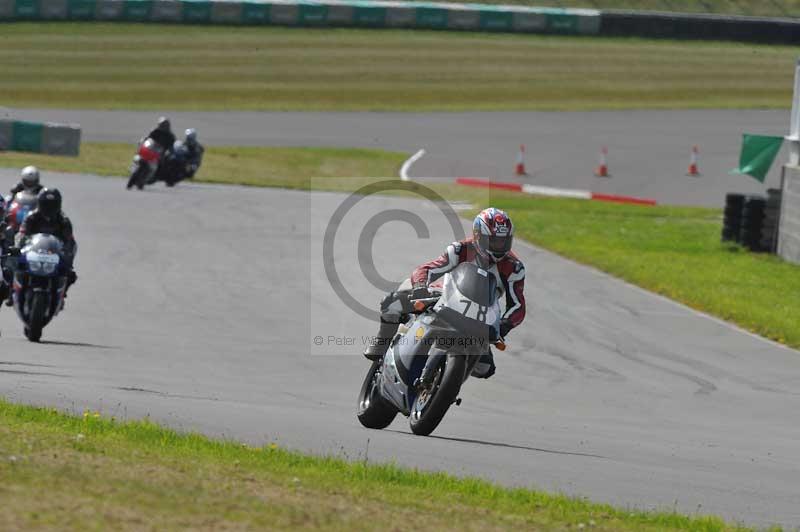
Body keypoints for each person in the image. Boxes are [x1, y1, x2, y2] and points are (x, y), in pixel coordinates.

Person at [363, 208, 526, 379]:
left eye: (503, 242)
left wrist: (504, 325)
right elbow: (428, 269)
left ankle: (445, 385)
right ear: (478, 236)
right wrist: (420, 287)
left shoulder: (514, 267)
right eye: (493, 241)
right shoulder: (460, 249)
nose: (499, 247)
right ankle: (382, 342)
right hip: (446, 297)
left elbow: (518, 305)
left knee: (485, 368)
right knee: (392, 303)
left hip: (481, 316)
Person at [11, 188, 77, 304]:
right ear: (40, 203)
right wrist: (18, 246)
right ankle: (13, 292)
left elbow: (70, 241)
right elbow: (21, 233)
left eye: (52, 204)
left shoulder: (64, 221)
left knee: (71, 275)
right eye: (46, 204)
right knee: (13, 265)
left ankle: (61, 295)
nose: (49, 207)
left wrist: (68, 254)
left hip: (54, 254)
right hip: (33, 252)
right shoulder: (32, 217)